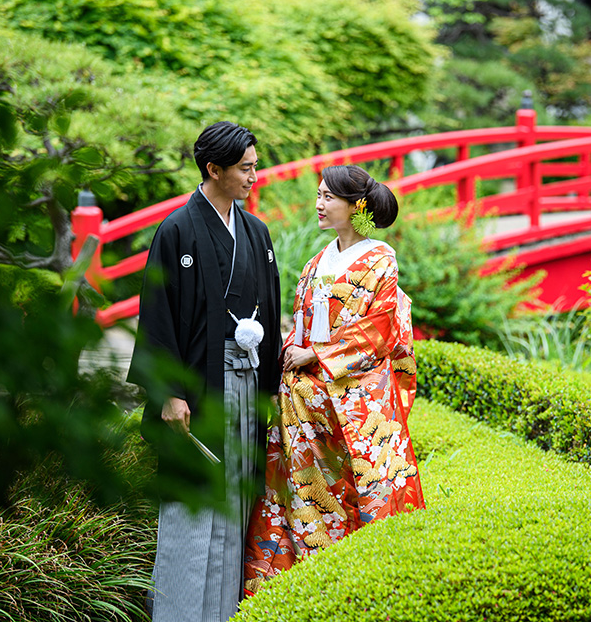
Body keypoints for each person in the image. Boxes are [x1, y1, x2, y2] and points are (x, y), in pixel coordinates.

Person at [242, 164, 424, 593]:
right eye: (319, 195)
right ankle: (293, 587)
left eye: (329, 197)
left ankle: (358, 586)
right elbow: (302, 324)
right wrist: (291, 351)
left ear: (356, 206)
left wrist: (317, 354)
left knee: (362, 489)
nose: (319, 204)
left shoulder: (380, 259)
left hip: (355, 398)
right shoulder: (318, 259)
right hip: (306, 395)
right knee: (295, 490)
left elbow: (380, 329)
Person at [126, 121, 282, 621]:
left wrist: (273, 387)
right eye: (245, 168)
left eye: (255, 166)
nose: (254, 176)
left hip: (247, 381)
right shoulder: (176, 230)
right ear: (214, 169)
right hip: (197, 386)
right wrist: (170, 393)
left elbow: (272, 313)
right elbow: (157, 316)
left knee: (236, 497)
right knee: (192, 501)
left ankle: (226, 613)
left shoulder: (256, 232)